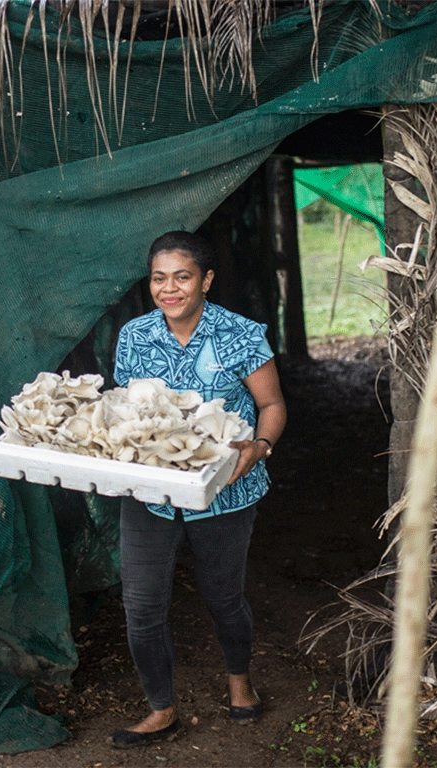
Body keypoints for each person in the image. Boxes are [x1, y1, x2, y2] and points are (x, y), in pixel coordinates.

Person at [108, 230, 287, 747]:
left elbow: (272, 406)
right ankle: (161, 711)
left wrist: (259, 447)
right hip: (151, 490)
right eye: (159, 278)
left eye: (182, 277)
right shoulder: (135, 336)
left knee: (223, 596)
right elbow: (126, 412)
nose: (170, 288)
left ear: (205, 281)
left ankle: (240, 684)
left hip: (224, 488)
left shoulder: (240, 334)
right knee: (141, 605)